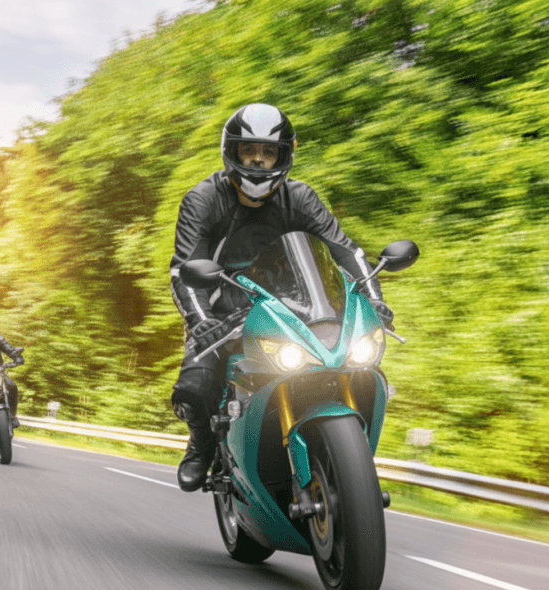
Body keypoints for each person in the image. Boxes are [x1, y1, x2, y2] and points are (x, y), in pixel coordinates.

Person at [169, 103, 394, 492]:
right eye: (248, 151)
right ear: (231, 152)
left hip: (298, 307)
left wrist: (373, 298)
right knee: (196, 384)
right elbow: (184, 269)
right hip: (224, 312)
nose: (257, 161)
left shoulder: (301, 198)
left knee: (360, 363)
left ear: (284, 154)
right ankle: (202, 445)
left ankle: (349, 467)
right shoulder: (203, 200)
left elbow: (344, 251)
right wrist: (200, 321)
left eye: (268, 152)